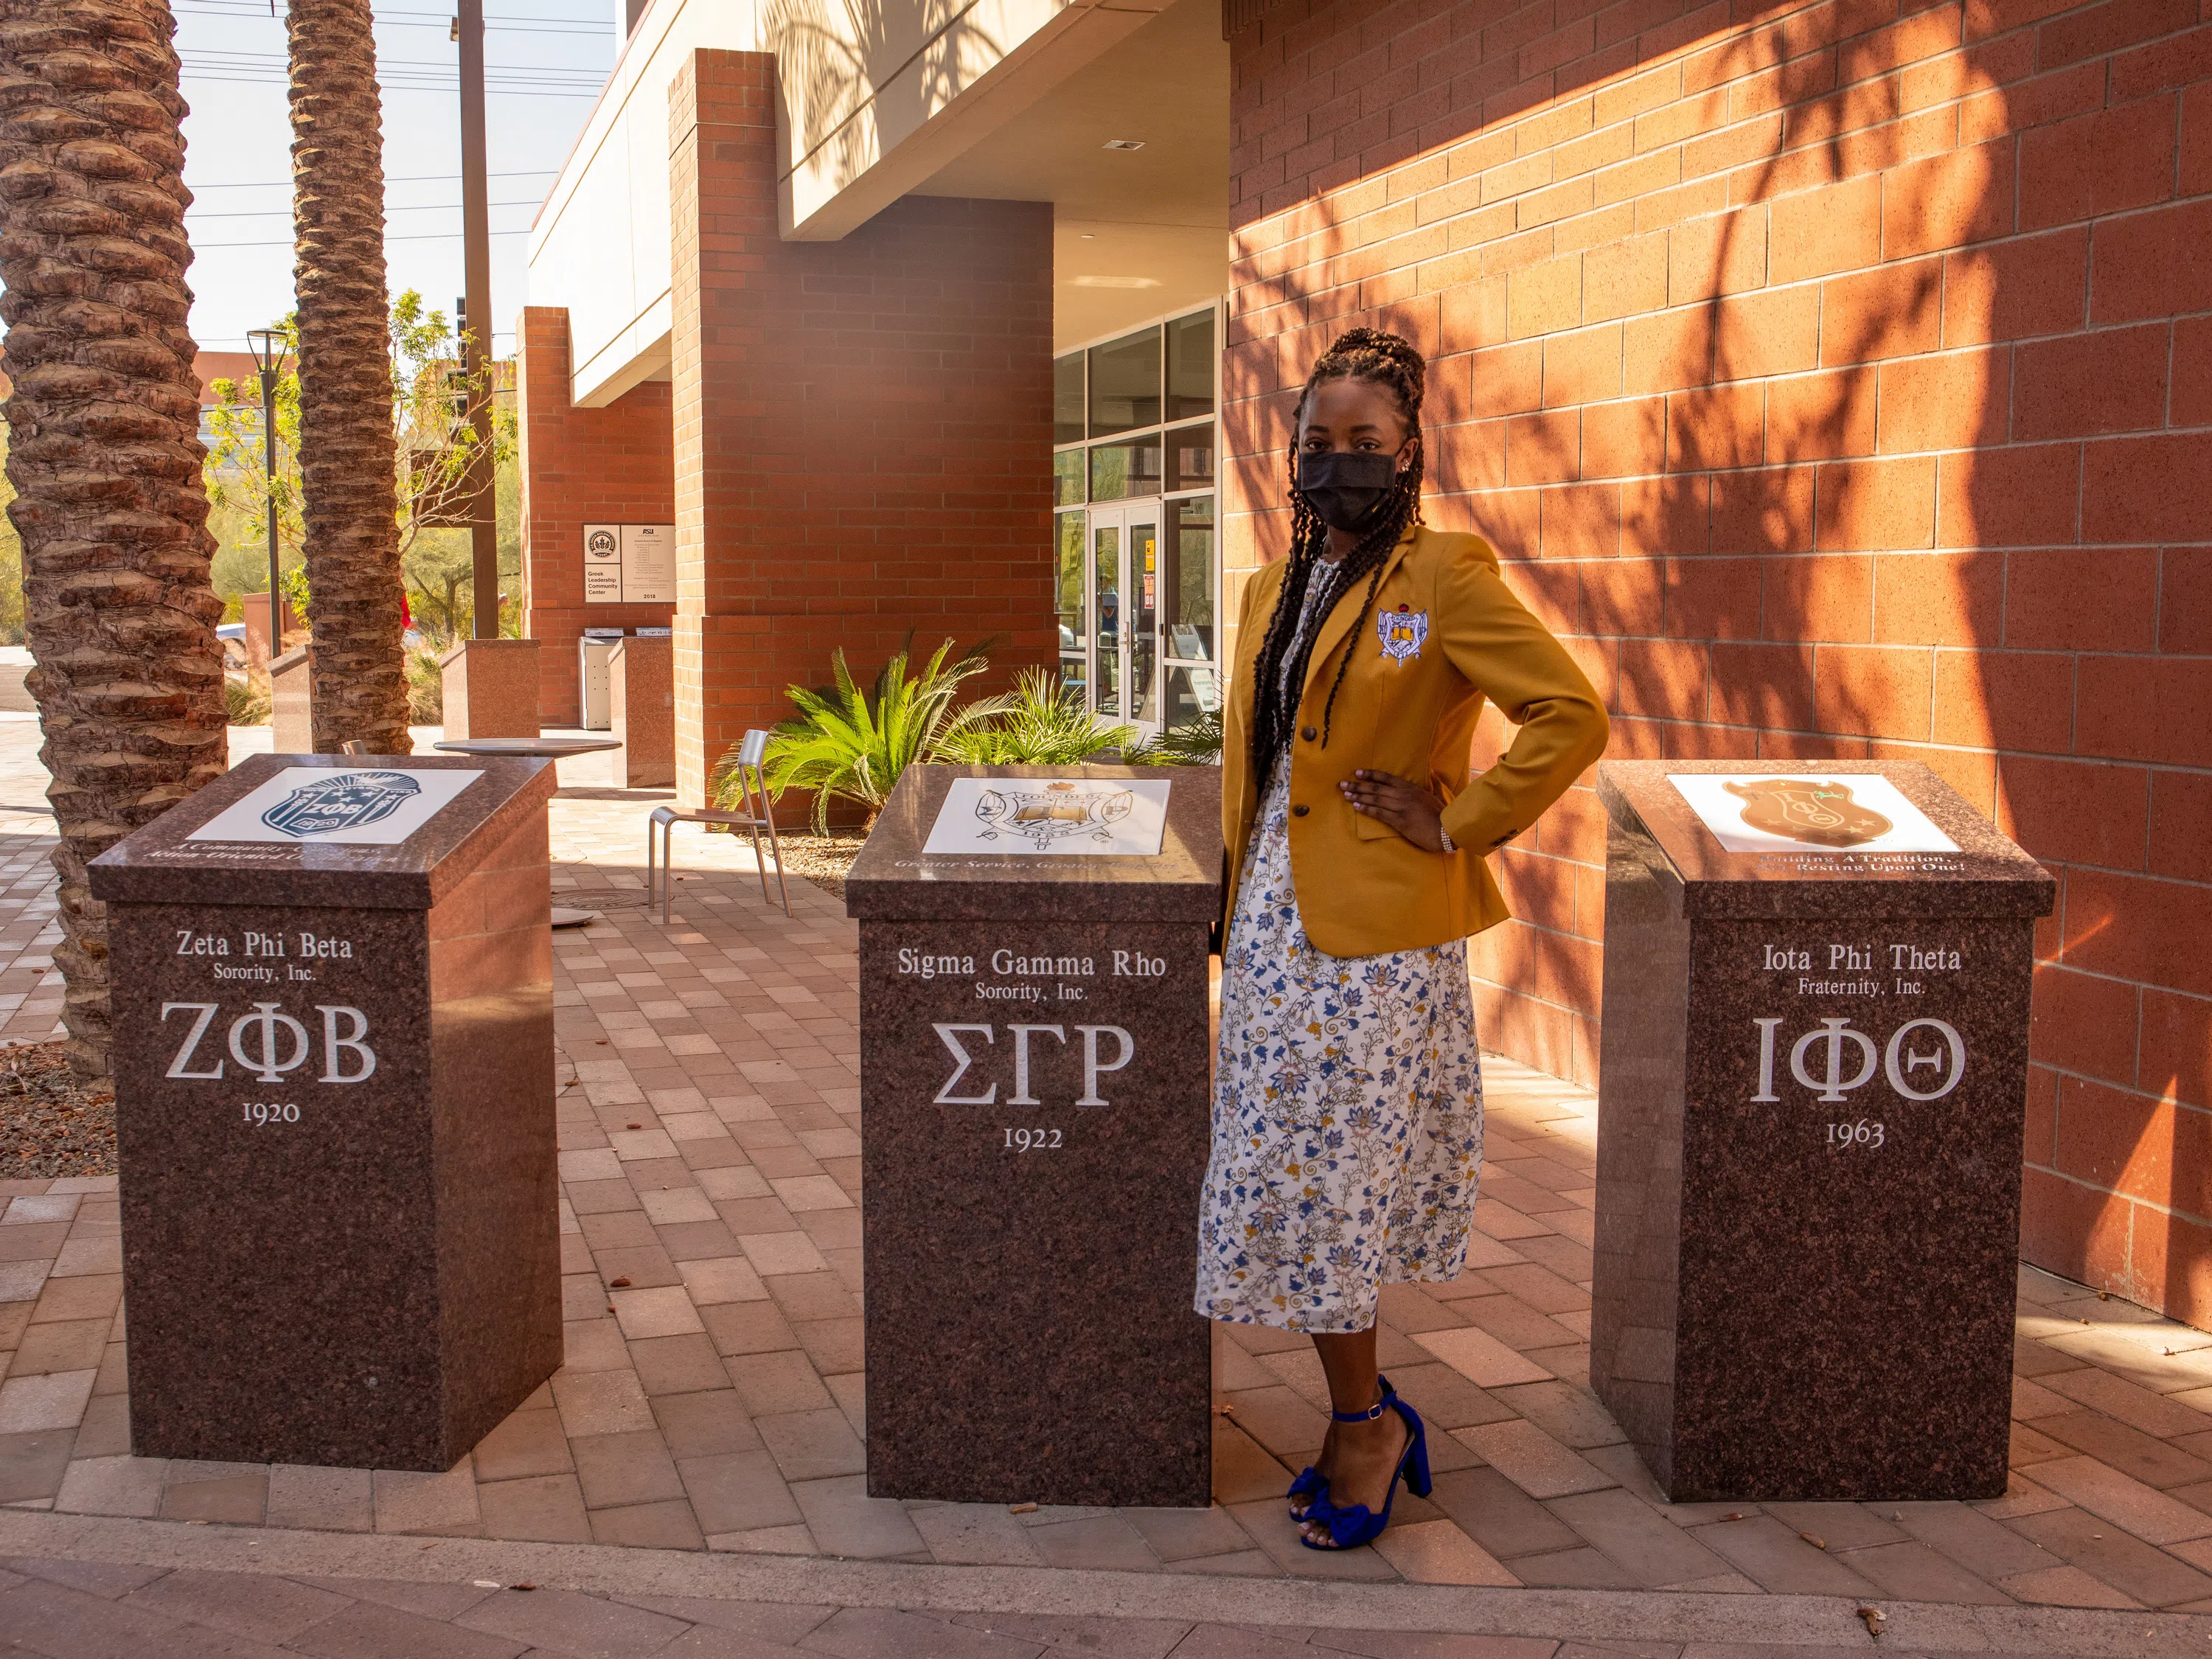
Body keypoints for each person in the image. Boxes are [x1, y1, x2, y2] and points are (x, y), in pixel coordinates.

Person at [1195, 327, 1610, 1550]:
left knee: (1330, 1189)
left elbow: (1568, 713)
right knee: (1288, 1182)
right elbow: (1260, 765)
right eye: (1318, 443)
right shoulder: (1270, 586)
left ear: (1410, 450)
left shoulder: (1447, 575)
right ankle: (1360, 1408)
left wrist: (1463, 816)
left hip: (1373, 945)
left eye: (1364, 444)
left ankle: (1365, 1422)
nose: (1337, 465)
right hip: (1274, 930)